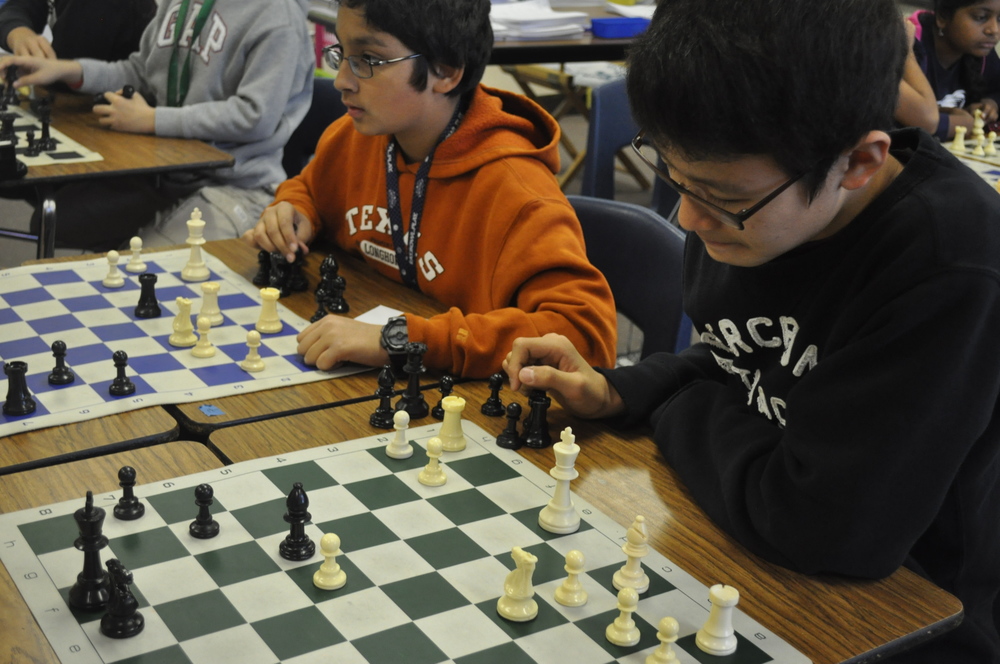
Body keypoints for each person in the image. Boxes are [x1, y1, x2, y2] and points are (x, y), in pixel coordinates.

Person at [503, 0, 1000, 661]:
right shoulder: (753, 208)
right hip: (744, 549)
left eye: (720, 197)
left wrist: (673, 406)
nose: (687, 218)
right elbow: (742, 360)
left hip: (909, 615)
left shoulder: (951, 265)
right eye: (671, 175)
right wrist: (621, 391)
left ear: (857, 163)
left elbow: (822, 527)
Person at [243, 0, 617, 379]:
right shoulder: (354, 136)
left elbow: (587, 337)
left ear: (446, 72)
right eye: (342, 52)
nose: (342, 79)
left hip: (462, 405)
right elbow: (309, 188)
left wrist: (406, 339)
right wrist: (295, 209)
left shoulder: (518, 192)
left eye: (368, 59)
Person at [0, 0, 314, 250]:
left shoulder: (279, 16)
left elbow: (255, 116)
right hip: (167, 170)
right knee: (60, 221)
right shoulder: (180, 3)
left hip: (234, 184)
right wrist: (67, 70)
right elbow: (140, 70)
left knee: (142, 274)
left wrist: (153, 120)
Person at [902, 0, 1000, 139]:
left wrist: (990, 103)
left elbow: (997, 89)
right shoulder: (908, 45)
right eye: (980, 17)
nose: (994, 30)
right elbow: (906, 122)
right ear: (942, 17)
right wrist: (961, 123)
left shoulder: (981, 51)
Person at [0, 0, 155, 61]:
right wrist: (19, 34)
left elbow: (65, 66)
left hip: (109, 109)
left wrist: (22, 67)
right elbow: (16, 8)